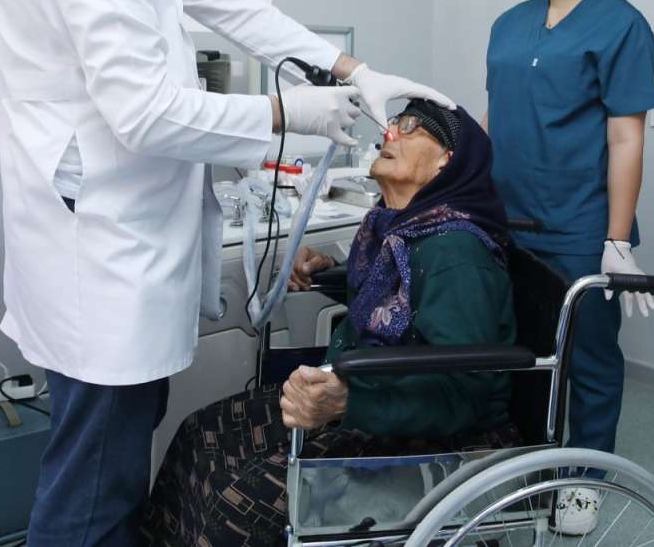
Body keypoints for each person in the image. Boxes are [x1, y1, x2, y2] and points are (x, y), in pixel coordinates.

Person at [0, 0, 451, 545]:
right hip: (98, 261)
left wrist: (348, 70)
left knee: (107, 474)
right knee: (92, 493)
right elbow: (144, 112)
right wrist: (288, 113)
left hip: (112, 243)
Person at [140, 100, 518, 545]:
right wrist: (329, 272)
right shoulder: (394, 227)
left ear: (445, 162)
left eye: (412, 127)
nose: (390, 133)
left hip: (433, 436)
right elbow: (398, 305)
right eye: (394, 122)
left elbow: (463, 393)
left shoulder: (455, 253)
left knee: (234, 496)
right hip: (370, 394)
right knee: (200, 435)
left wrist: (346, 402)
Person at [484, 0, 654, 535]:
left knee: (588, 359)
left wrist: (617, 239)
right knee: (517, 351)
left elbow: (627, 138)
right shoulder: (510, 22)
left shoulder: (621, 25)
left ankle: (585, 479)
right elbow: (495, 115)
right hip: (506, 217)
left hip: (579, 223)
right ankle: (519, 461)